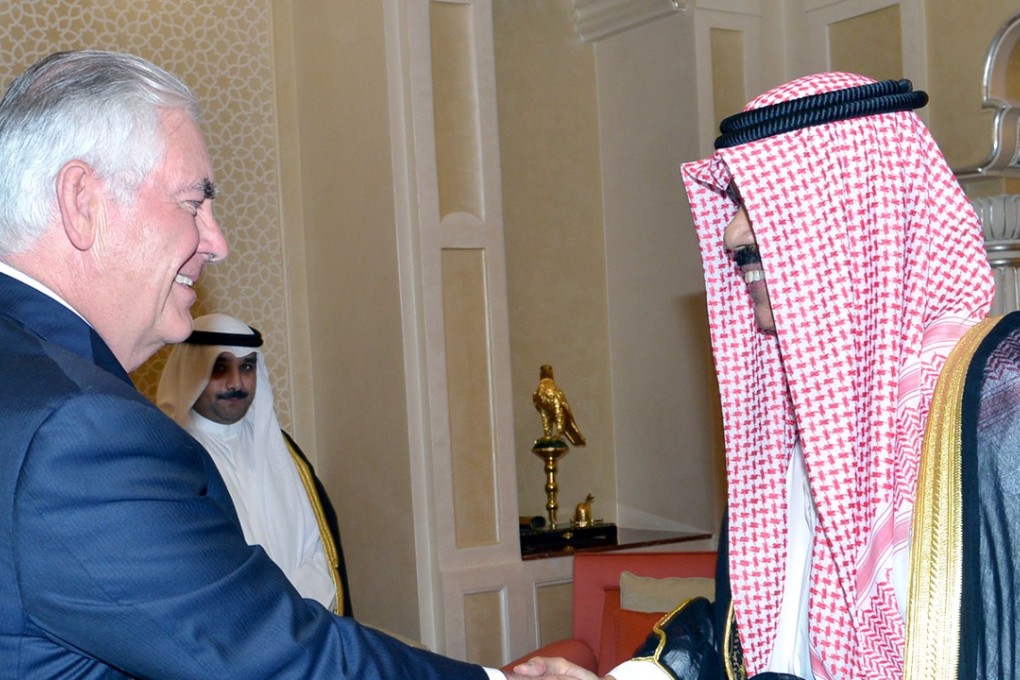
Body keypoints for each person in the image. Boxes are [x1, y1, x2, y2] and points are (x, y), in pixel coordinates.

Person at [0, 49, 561, 680]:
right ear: (84, 202)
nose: (217, 242)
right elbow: (271, 659)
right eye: (194, 202)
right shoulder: (77, 431)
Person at [515, 72, 1004, 680]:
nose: (731, 234)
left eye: (766, 201)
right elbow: (745, 634)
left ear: (854, 212)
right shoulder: (787, 431)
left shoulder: (994, 413)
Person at [156, 312, 354, 616]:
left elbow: (320, 555)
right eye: (220, 368)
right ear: (192, 371)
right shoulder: (171, 460)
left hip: (309, 628)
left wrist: (296, 620)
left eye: (246, 367)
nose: (236, 383)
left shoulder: (284, 451)